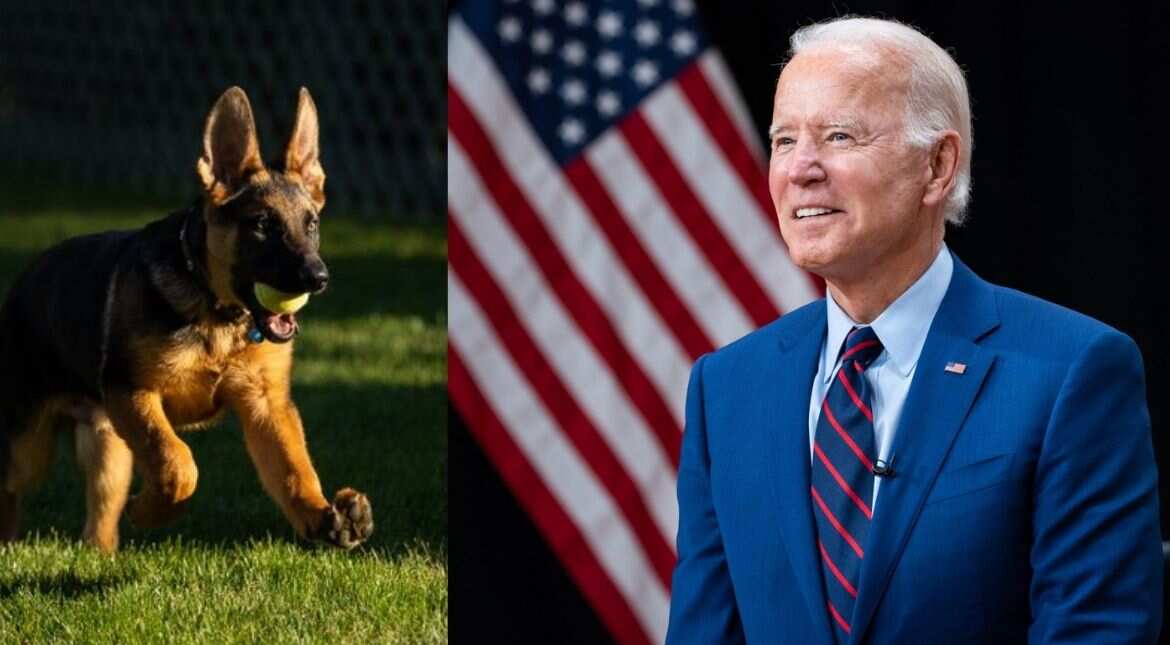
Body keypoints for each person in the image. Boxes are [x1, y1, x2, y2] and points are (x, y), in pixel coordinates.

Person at [666, 16, 1162, 644]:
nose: (800, 169)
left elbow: (1095, 632)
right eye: (784, 139)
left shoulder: (1072, 372)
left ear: (937, 165)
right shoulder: (728, 387)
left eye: (839, 136)